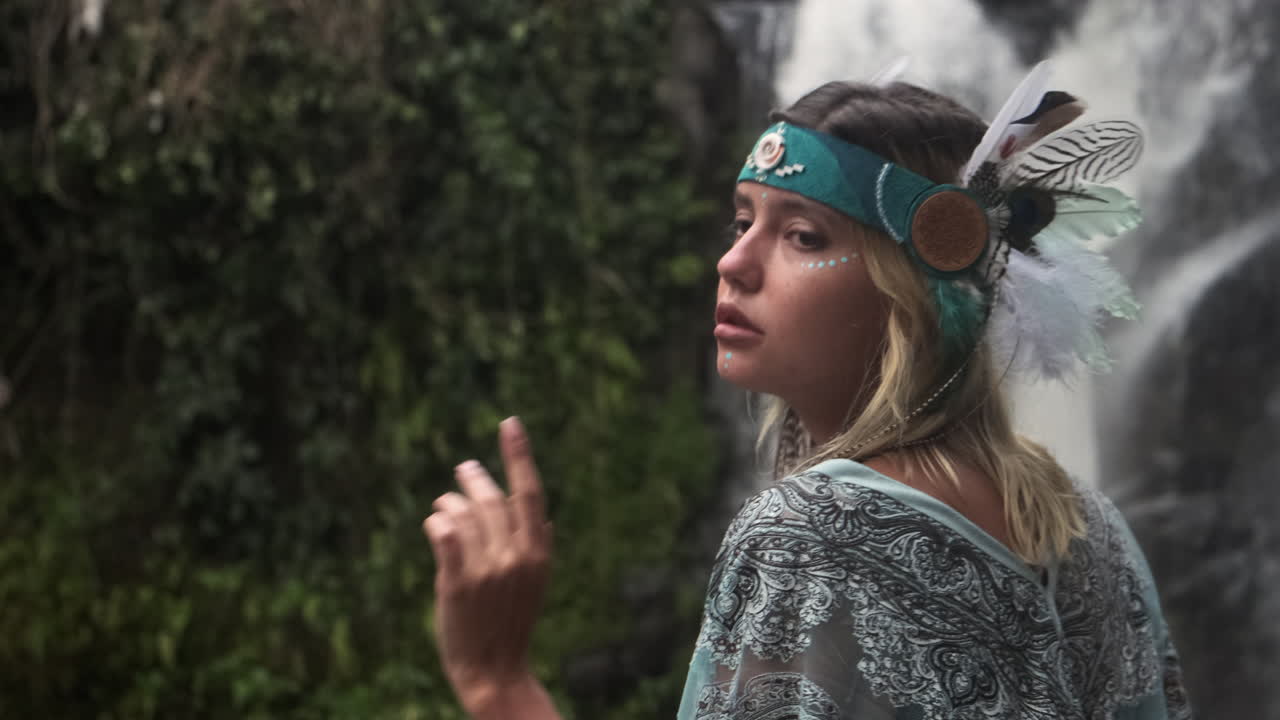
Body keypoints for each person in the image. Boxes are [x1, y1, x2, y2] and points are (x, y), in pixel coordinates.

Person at [422, 64, 1194, 720]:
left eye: (802, 237)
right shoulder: (1089, 528)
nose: (734, 263)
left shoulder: (813, 531)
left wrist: (499, 682)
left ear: (916, 297)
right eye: (742, 222)